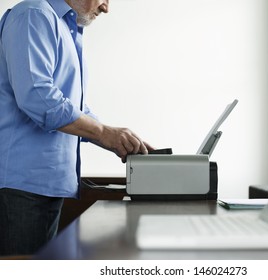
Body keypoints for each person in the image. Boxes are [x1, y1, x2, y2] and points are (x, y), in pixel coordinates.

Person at [0, 0, 153, 256]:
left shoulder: (60, 25)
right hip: (22, 186)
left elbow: (69, 104)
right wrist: (103, 133)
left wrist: (111, 136)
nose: (106, 7)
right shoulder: (33, 15)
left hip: (42, 185)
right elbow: (38, 97)